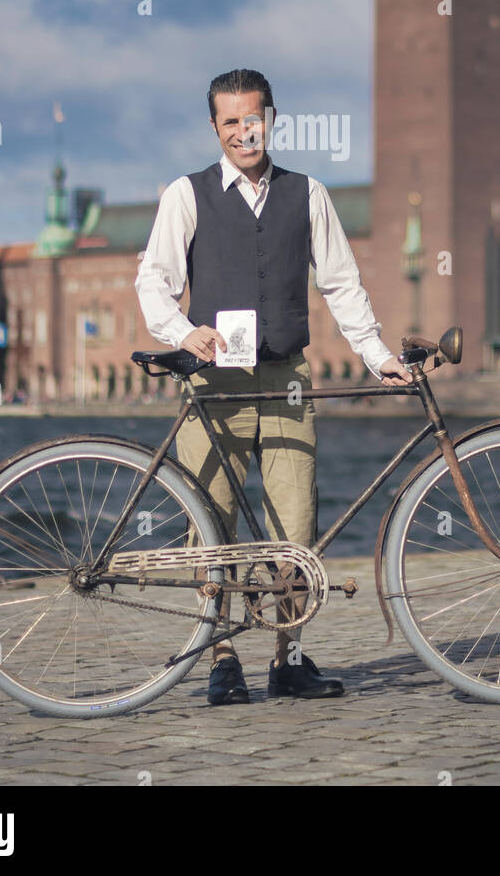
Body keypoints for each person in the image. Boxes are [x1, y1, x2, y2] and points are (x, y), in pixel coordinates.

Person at [135, 68, 411, 705]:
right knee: (211, 523)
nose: (241, 131)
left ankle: (288, 659)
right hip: (215, 383)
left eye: (251, 118)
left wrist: (376, 355)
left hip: (287, 377)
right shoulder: (187, 194)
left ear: (271, 118)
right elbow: (154, 280)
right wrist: (183, 332)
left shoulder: (307, 194)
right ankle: (221, 658)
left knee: (296, 523)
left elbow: (341, 283)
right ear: (214, 127)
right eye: (229, 121)